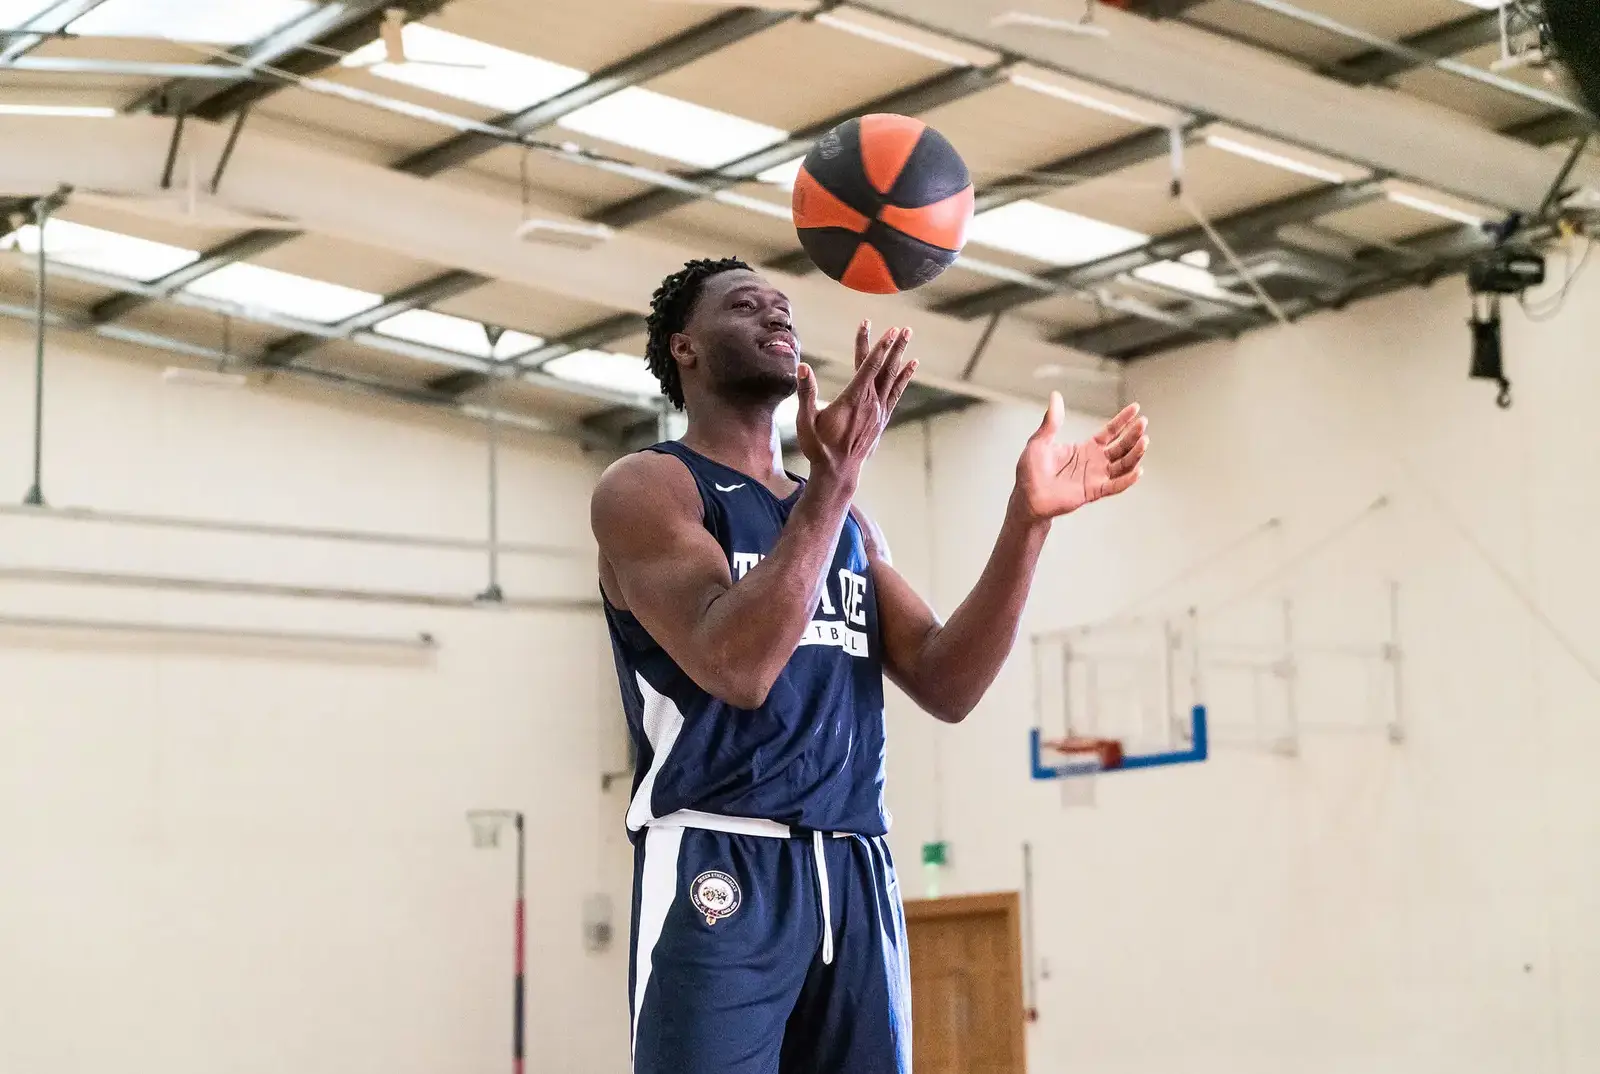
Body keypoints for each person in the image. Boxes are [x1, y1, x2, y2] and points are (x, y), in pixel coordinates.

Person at [591, 257, 1148, 1074]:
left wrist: (1026, 521)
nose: (776, 317)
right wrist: (837, 478)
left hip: (856, 863)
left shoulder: (845, 522)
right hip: (720, 859)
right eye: (746, 306)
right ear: (686, 349)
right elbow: (736, 666)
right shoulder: (649, 488)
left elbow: (946, 680)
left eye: (782, 307)